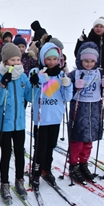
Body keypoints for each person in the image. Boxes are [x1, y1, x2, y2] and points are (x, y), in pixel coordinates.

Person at [28, 42, 73, 189]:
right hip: (41, 118)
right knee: (40, 148)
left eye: (55, 59)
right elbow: (31, 96)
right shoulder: (36, 71)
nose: (52, 62)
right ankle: (36, 171)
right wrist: (36, 82)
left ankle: (46, 168)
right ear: (42, 59)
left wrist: (67, 85)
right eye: (48, 59)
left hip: (55, 116)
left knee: (50, 146)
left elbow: (67, 98)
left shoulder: (61, 74)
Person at [0, 43, 32, 200]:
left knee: (20, 153)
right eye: (13, 60)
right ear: (5, 61)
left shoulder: (23, 76)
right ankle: (4, 183)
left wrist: (34, 85)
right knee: (6, 154)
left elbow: (30, 97)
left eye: (18, 60)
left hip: (19, 123)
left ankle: (20, 180)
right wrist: (3, 84)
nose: (16, 63)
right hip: (4, 123)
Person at [67, 42, 104, 182]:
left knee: (89, 139)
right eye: (86, 61)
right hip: (79, 110)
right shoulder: (75, 74)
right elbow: (67, 94)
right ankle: (74, 165)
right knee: (77, 139)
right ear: (80, 60)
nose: (89, 64)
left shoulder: (100, 73)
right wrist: (73, 86)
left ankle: (84, 163)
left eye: (92, 61)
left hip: (94, 109)